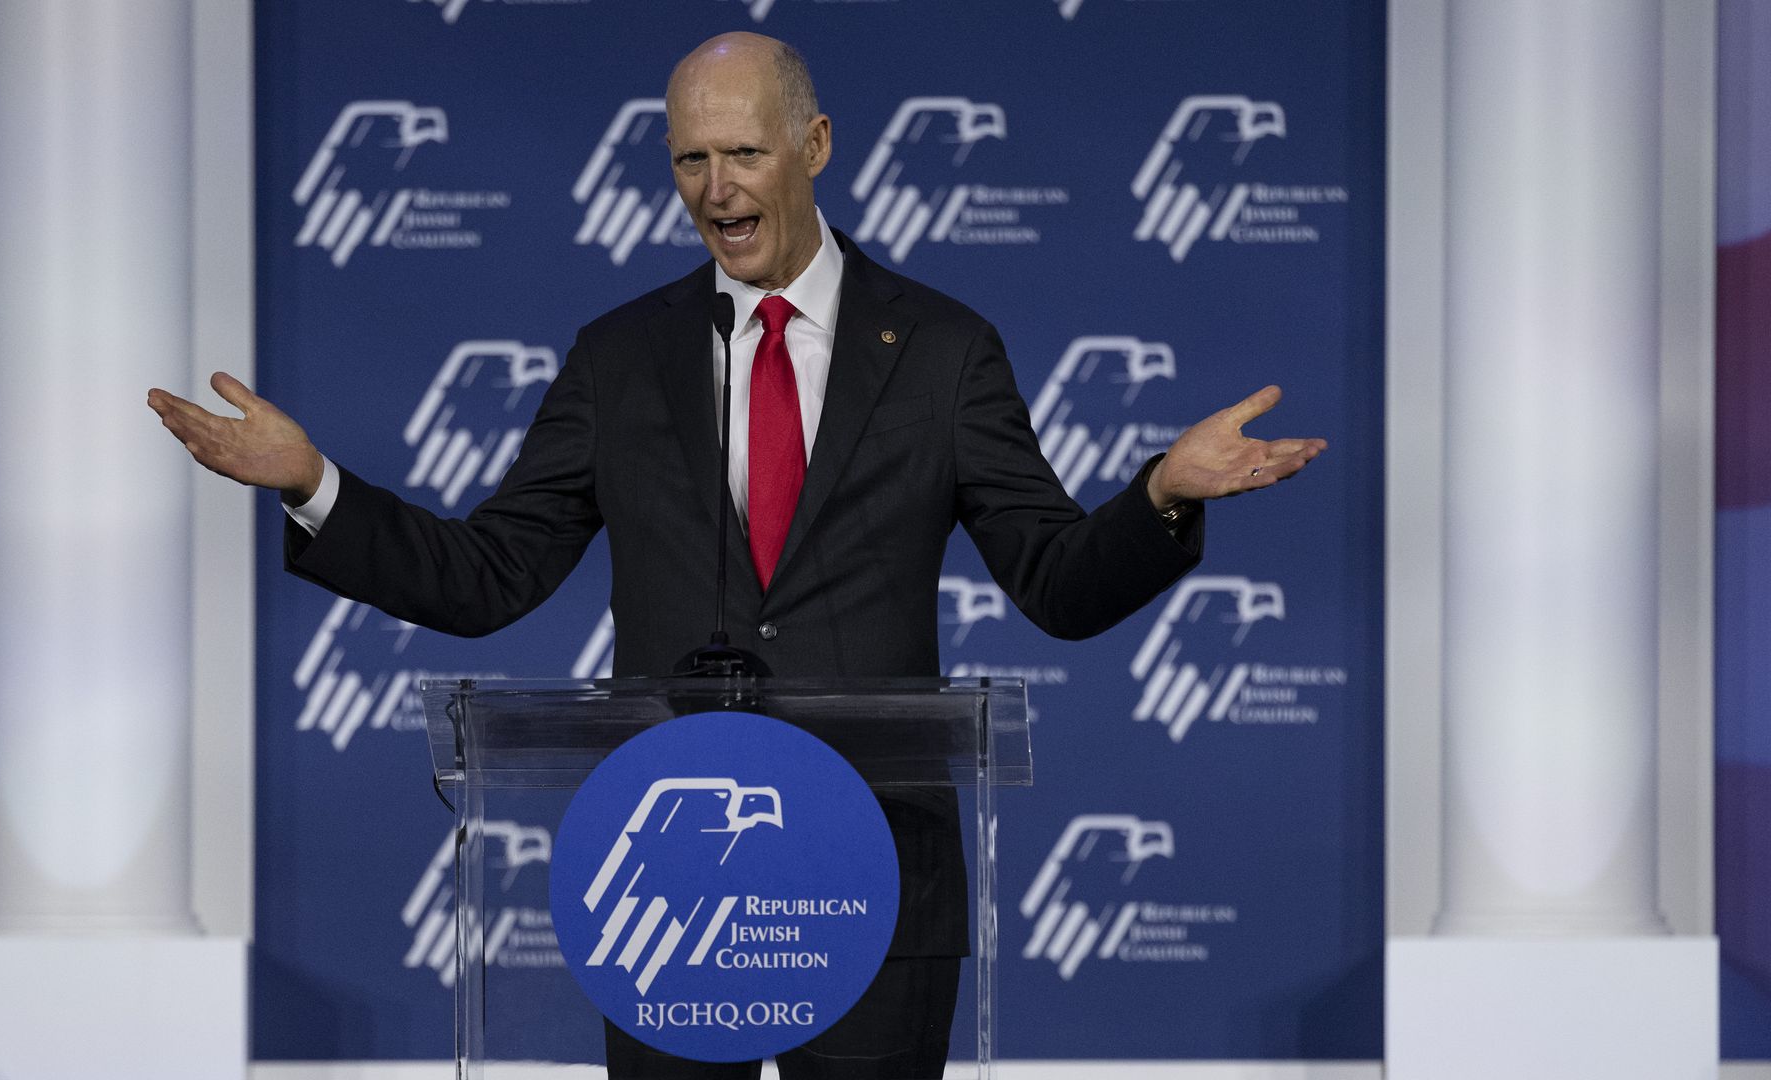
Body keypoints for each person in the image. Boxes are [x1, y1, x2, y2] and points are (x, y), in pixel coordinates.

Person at [149, 31, 1325, 1080]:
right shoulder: (623, 357)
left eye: (745, 155)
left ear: (814, 145)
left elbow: (1058, 585)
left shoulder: (941, 352)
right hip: (670, 879)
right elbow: (489, 575)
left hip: (876, 870)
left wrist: (1162, 495)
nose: (717, 191)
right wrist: (315, 486)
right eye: (689, 163)